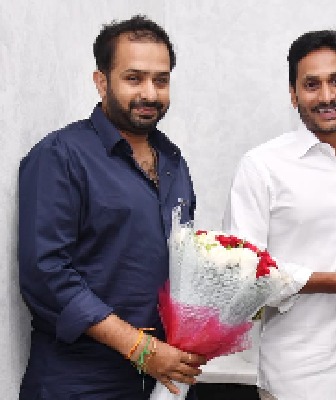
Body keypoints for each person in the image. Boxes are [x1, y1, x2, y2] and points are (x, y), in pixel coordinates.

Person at [18, 15, 205, 399]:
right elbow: (47, 274)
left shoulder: (173, 161)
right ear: (101, 81)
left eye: (161, 80)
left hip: (155, 380)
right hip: (79, 383)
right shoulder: (61, 156)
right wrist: (140, 348)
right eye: (134, 78)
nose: (150, 93)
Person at [223, 30, 336, 400]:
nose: (326, 97)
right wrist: (331, 282)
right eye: (312, 85)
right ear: (293, 95)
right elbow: (241, 274)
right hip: (298, 382)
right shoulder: (262, 166)